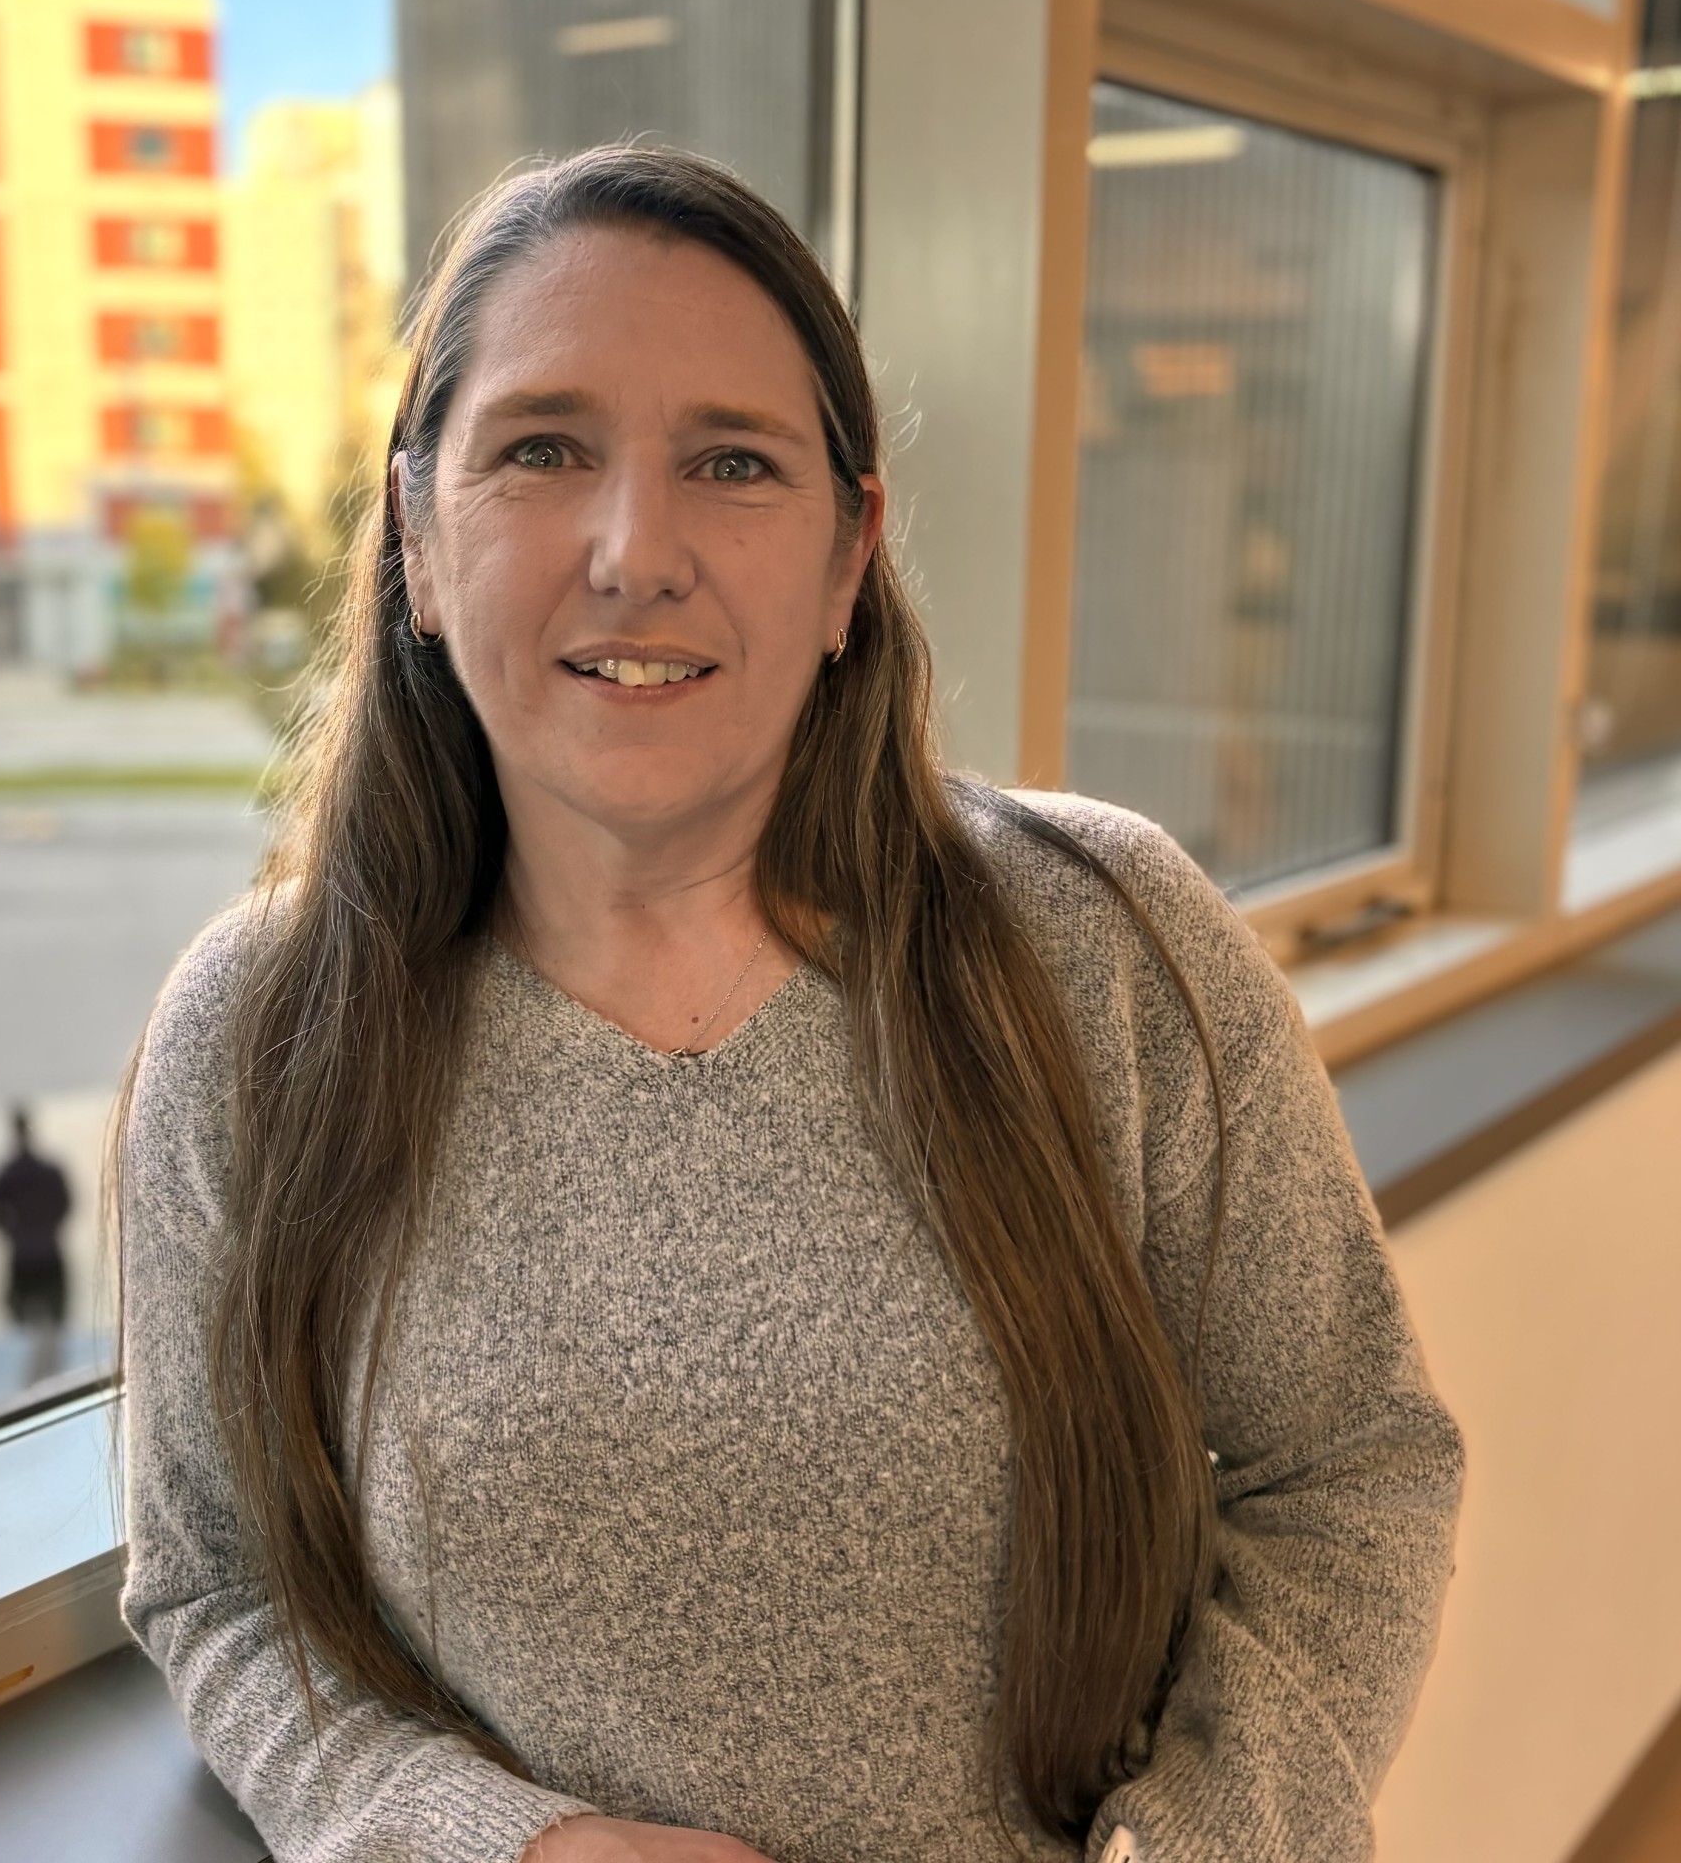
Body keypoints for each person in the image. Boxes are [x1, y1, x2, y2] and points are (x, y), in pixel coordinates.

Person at [115, 146, 1463, 1863]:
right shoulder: (259, 1037)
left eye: (733, 464)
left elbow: (1348, 1472)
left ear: (847, 559)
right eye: (542, 449)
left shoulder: (1108, 947)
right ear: (419, 541)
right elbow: (219, 1585)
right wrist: (500, 1846)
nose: (633, 551)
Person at [0, 1103, 71, 1385]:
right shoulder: (46, 1170)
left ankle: (37, 1385)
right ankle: (45, 1383)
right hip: (45, 1254)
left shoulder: (8, 1174)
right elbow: (65, 1205)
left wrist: (17, 1234)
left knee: (30, 1329)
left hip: (25, 1256)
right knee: (49, 1329)